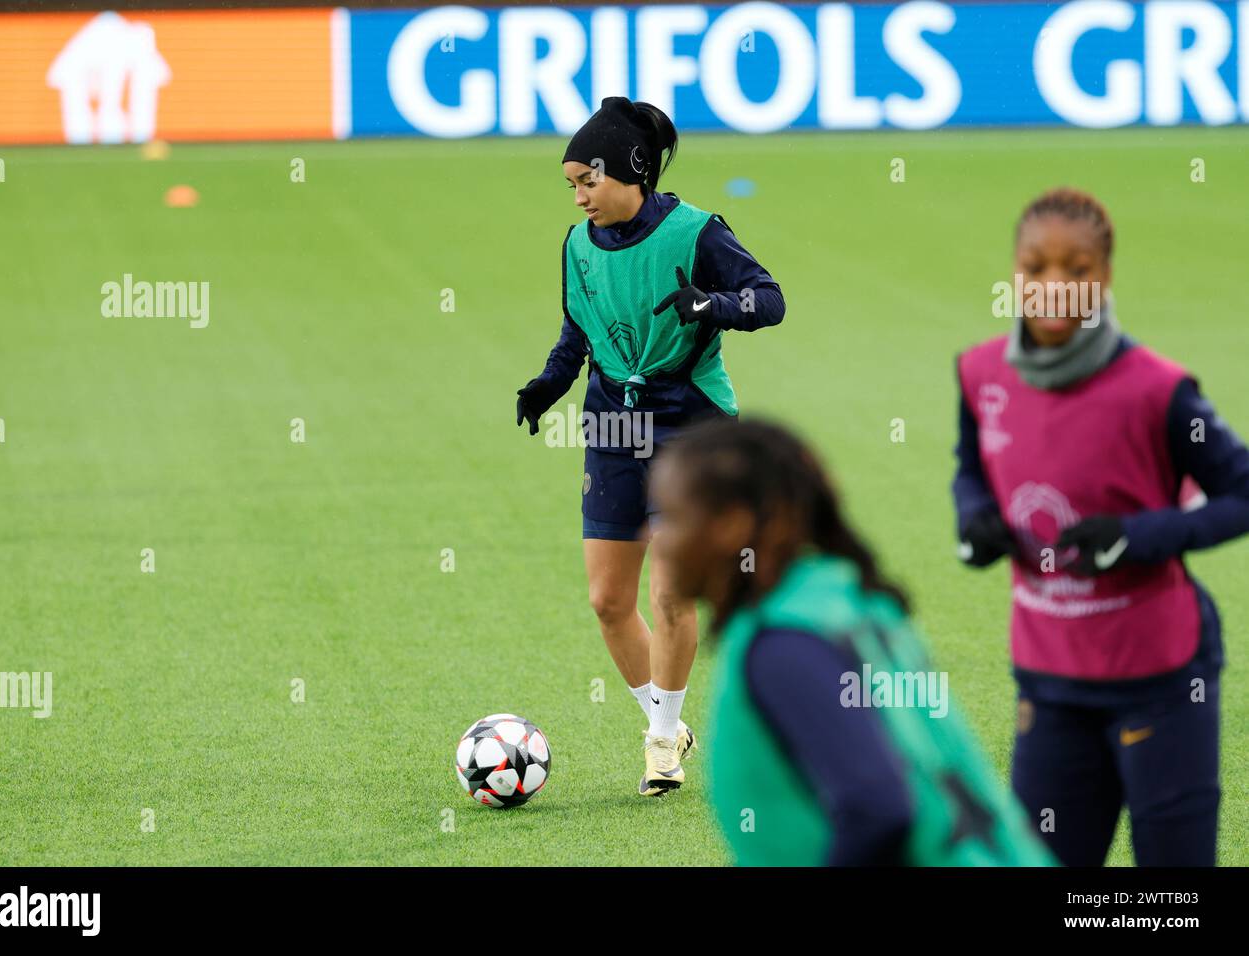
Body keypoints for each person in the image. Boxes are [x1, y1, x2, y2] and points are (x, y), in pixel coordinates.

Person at [953, 187, 1249, 865]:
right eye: (1035, 268)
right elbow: (970, 470)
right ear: (1014, 274)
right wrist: (974, 522)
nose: (1054, 287)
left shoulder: (1159, 389)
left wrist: (1139, 538)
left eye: (1077, 270)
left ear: (1106, 277)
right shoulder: (980, 374)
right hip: (1049, 679)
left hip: (1162, 678)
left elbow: (1242, 491)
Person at [516, 96, 784, 796]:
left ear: (634, 170)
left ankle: (661, 742)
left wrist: (713, 304)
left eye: (587, 181)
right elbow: (579, 332)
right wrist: (549, 384)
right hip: (611, 422)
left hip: (691, 425)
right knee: (608, 600)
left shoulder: (698, 233)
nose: (578, 197)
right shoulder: (577, 245)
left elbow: (770, 299)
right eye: (570, 184)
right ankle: (666, 719)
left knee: (670, 591)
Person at [648, 418, 1054, 865]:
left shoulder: (782, 644)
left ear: (732, 526)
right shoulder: (842, 597)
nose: (656, 538)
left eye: (671, 517)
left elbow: (877, 807)